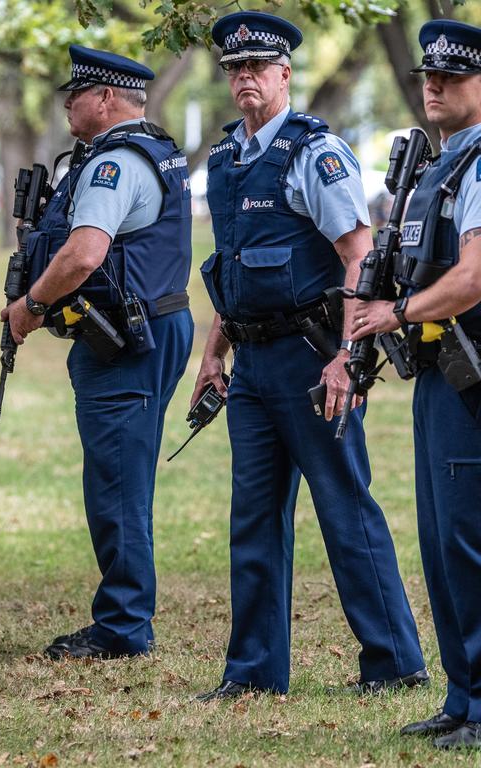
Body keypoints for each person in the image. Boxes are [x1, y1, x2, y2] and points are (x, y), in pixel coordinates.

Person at [193, 11, 426, 700]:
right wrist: (213, 356)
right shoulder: (225, 162)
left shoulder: (315, 155)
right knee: (253, 520)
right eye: (234, 69)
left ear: (284, 73)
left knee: (344, 508)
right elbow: (229, 270)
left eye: (256, 68)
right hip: (254, 366)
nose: (244, 79)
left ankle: (395, 663)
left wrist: (347, 358)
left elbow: (360, 259)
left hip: (311, 359)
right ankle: (254, 675)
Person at [2, 45, 194, 659]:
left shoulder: (116, 164)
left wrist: (30, 306)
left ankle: (122, 628)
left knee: (115, 482)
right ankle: (125, 618)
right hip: (151, 326)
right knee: (123, 477)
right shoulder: (154, 149)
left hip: (126, 340)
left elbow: (85, 253)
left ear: (106, 99)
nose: (66, 103)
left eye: (76, 93)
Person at [351, 20, 481, 750]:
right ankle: (463, 698)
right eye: (428, 76)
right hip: (440, 375)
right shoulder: (439, 167)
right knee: (439, 541)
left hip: (473, 375)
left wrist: (393, 312)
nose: (433, 86)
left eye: (452, 78)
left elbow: (472, 279)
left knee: (469, 540)